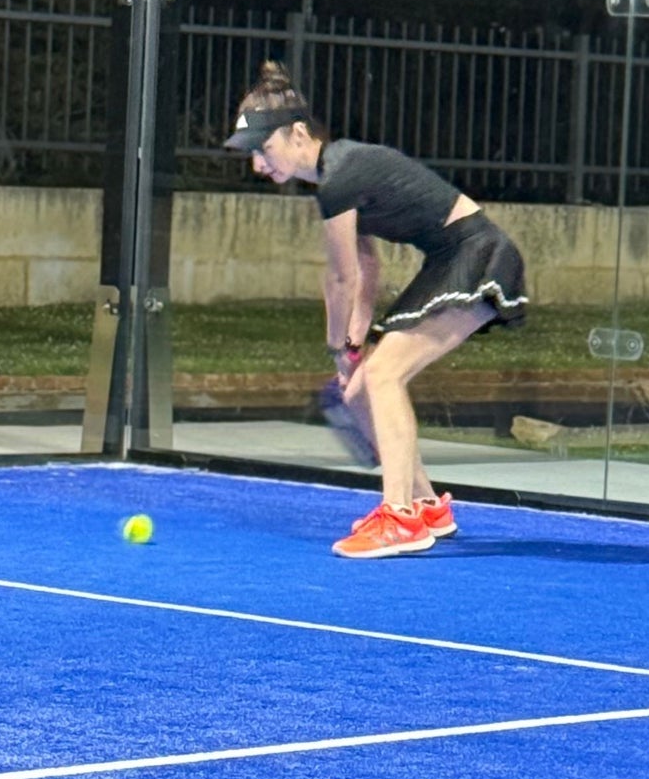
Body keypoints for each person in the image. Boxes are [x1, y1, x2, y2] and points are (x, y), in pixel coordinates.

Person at [224, 62, 528, 558]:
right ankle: (425, 505)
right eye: (252, 153)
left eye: (264, 148)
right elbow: (366, 268)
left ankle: (400, 518)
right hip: (450, 259)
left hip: (478, 255)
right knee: (364, 384)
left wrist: (338, 349)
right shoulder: (338, 174)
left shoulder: (340, 178)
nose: (259, 164)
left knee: (384, 376)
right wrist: (352, 352)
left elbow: (342, 278)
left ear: (298, 133)